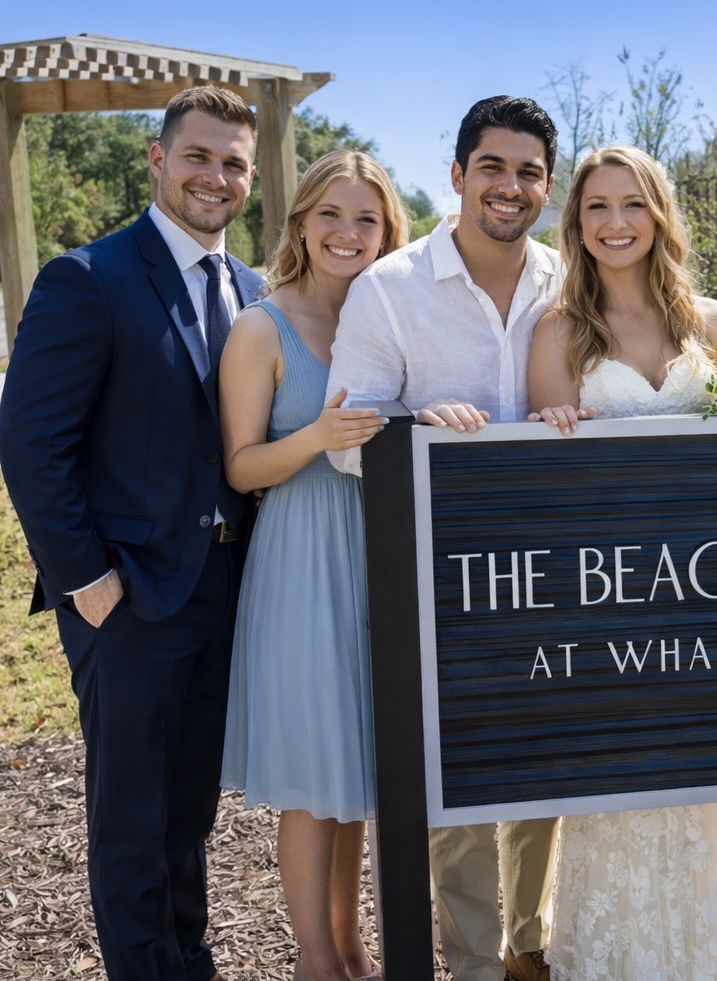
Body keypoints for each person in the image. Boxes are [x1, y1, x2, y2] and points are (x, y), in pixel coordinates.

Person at [529, 144, 717, 981]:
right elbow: (538, 488)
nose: (615, 223)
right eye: (596, 208)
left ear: (660, 215)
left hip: (712, 597)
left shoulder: (716, 324)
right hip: (612, 602)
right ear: (577, 226)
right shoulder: (559, 333)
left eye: (632, 204)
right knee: (622, 788)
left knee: (710, 783)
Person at [0, 85, 262, 981]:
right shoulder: (91, 278)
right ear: (157, 158)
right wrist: (88, 583)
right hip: (130, 599)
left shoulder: (255, 291)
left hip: (228, 592)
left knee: (187, 812)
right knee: (130, 820)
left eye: (232, 162)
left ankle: (190, 959)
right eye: (198, 155)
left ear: (250, 177)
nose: (213, 176)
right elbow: (31, 444)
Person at [324, 96, 561, 981]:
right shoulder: (389, 289)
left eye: (529, 171)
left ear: (547, 185)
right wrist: (414, 427)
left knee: (546, 775)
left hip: (555, 573)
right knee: (454, 795)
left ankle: (527, 947)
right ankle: (467, 963)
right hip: (438, 581)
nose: (510, 186)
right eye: (492, 168)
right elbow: (347, 440)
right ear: (457, 176)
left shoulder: (566, 281)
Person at [217, 150, 409, 981]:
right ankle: (315, 963)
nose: (347, 232)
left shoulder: (390, 317)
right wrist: (316, 440)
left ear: (387, 231)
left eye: (366, 218)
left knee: (358, 763)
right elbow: (240, 466)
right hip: (300, 557)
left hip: (380, 554)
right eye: (331, 214)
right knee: (310, 773)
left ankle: (355, 947)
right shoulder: (261, 327)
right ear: (300, 221)